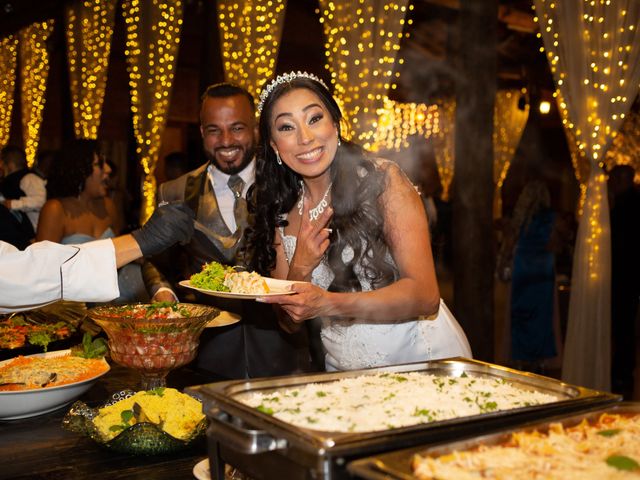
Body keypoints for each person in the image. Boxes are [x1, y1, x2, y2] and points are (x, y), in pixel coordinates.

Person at [245, 71, 471, 371]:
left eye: (314, 119)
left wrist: (329, 303)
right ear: (275, 146)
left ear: (335, 124)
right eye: (287, 127)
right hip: (344, 370)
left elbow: (425, 296)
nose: (305, 138)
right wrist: (299, 266)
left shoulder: (382, 182)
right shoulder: (282, 212)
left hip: (420, 360)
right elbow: (289, 323)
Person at [154, 82, 311, 379]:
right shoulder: (174, 191)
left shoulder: (290, 182)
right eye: (214, 130)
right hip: (207, 359)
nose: (226, 140)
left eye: (237, 128)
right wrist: (163, 291)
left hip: (284, 353)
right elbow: (154, 261)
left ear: (255, 129)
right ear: (202, 133)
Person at [0, 202, 194, 313]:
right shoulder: (56, 208)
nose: (108, 169)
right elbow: (22, 273)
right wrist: (141, 240)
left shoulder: (109, 204)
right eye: (99, 163)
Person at [498, 180, 561, 373]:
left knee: (520, 314)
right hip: (543, 271)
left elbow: (509, 245)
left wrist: (503, 263)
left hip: (523, 270)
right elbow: (554, 244)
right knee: (542, 315)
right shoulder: (551, 218)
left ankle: (520, 357)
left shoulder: (520, 218)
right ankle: (540, 360)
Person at [608, 164, 640, 398]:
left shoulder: (625, 205)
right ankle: (623, 373)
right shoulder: (627, 202)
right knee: (624, 327)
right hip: (629, 274)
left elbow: (620, 244)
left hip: (626, 275)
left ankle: (622, 375)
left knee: (624, 327)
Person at [0, 145, 47, 248]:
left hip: (37, 234)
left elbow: (40, 200)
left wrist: (13, 204)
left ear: (10, 165)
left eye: (2, 164)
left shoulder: (29, 178)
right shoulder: (9, 183)